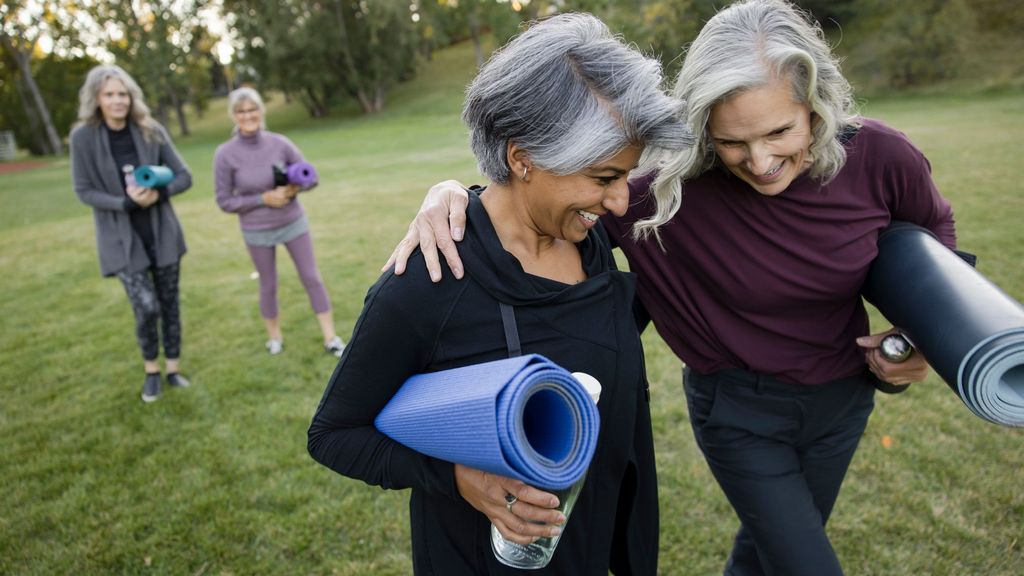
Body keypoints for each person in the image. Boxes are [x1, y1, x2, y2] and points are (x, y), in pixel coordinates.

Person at [385, 1, 959, 574]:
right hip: (739, 413)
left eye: (781, 131)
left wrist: (918, 337)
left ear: (816, 104)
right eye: (733, 141)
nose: (760, 162)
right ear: (703, 125)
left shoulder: (881, 157)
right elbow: (535, 208)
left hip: (844, 400)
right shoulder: (658, 197)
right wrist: (454, 194)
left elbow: (934, 237)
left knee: (769, 554)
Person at [308, 13, 692, 575]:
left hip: (593, 544)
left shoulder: (594, 241)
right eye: (603, 177)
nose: (617, 201)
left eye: (624, 177)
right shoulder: (430, 279)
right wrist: (458, 478)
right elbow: (334, 435)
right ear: (521, 156)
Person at [70, 64, 194, 403]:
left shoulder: (150, 129)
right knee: (146, 306)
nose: (117, 101)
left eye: (122, 94)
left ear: (131, 97)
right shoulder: (82, 137)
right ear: (96, 98)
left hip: (162, 234)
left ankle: (173, 369)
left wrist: (158, 194)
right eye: (109, 94)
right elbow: (83, 190)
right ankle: (151, 370)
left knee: (169, 304)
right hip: (120, 240)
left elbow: (184, 175)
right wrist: (124, 203)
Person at [213, 87, 346, 357]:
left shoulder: (279, 143)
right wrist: (263, 199)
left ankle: (331, 337)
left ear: (261, 111)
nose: (248, 115)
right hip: (256, 230)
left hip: (292, 222)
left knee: (311, 277)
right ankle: (274, 338)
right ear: (233, 116)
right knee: (268, 283)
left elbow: (312, 177)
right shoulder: (225, 154)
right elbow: (224, 200)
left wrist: (296, 188)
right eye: (241, 111)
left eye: (252, 109)